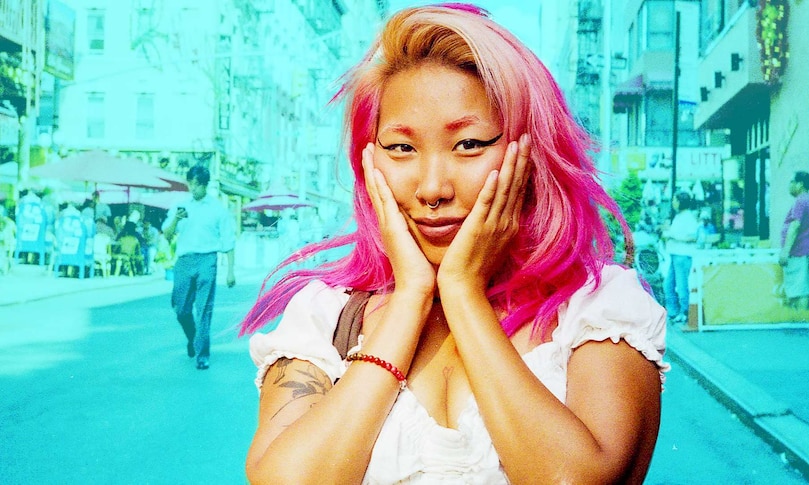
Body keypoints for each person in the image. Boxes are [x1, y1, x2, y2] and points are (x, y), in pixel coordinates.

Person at [240, 5, 668, 484]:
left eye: (468, 145)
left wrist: (463, 292)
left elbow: (573, 478)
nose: (432, 188)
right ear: (368, 161)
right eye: (401, 148)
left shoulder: (601, 308)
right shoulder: (324, 316)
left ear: (533, 150)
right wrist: (410, 300)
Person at [163, 165, 236, 370]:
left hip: (207, 260)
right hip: (184, 261)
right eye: (191, 184)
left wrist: (230, 271)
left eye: (197, 185)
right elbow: (167, 235)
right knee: (181, 309)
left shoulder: (217, 209)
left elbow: (229, 241)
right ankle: (193, 338)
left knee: (203, 309)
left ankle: (202, 354)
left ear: (205, 185)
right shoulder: (181, 207)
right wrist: (176, 219)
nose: (193, 189)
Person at [779, 171, 809, 310]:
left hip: (798, 252)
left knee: (799, 292)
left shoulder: (800, 201)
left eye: (792, 182)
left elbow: (795, 226)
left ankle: (801, 324)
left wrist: (785, 252)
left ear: (800, 184)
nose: (790, 185)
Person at [661, 191, 699, 324]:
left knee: (682, 285)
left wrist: (673, 236)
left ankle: (684, 312)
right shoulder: (679, 216)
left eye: (675, 200)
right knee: (668, 284)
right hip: (674, 254)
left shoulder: (689, 217)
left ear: (680, 202)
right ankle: (673, 312)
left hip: (682, 255)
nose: (673, 203)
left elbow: (693, 237)